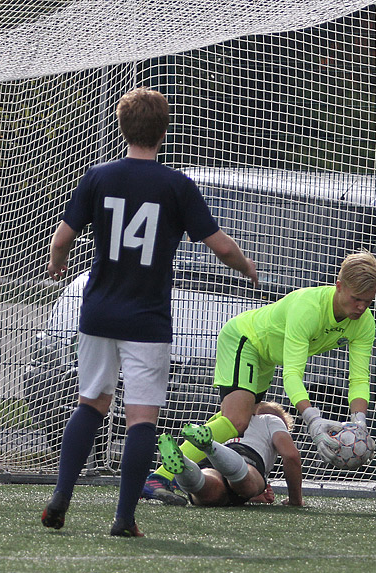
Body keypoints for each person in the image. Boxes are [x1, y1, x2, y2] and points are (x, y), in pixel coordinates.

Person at [39, 88, 258, 537]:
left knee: (91, 403)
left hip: (98, 311)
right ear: (164, 132)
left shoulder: (97, 176)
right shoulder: (176, 185)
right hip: (147, 320)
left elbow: (62, 238)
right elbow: (220, 246)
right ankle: (124, 518)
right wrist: (246, 266)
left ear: (123, 127)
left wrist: (58, 264)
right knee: (141, 419)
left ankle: (61, 497)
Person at [143, 251, 376, 505]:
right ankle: (159, 478)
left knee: (235, 419)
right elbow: (292, 374)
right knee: (236, 420)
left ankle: (188, 453)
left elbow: (358, 378)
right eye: (356, 299)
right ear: (339, 286)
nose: (361, 307)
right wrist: (313, 420)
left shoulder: (364, 322)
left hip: (265, 357)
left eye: (368, 301)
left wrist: (359, 422)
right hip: (244, 339)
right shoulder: (308, 307)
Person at [157, 401, 303, 507]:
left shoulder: (227, 420)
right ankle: (208, 447)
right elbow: (291, 455)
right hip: (246, 455)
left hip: (217, 456)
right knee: (245, 479)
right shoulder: (272, 420)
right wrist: (295, 500)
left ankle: (185, 461)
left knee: (210, 493)